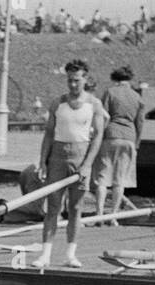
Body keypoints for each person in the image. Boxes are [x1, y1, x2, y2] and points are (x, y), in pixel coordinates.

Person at [33, 59, 106, 267]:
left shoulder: (94, 104)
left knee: (75, 207)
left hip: (81, 155)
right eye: (70, 80)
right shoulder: (58, 103)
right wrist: (43, 161)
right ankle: (45, 255)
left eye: (76, 80)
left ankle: (70, 254)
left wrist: (87, 165)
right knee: (53, 206)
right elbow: (48, 133)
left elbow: (98, 136)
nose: (73, 85)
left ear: (85, 79)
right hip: (58, 154)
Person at [93, 66, 145, 222]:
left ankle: (99, 215)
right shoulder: (137, 97)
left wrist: (98, 136)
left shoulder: (110, 92)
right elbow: (140, 121)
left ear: (114, 79)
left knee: (102, 178)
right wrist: (137, 142)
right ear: (130, 80)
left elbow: (103, 116)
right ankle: (114, 216)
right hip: (129, 137)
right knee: (119, 180)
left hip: (110, 135)